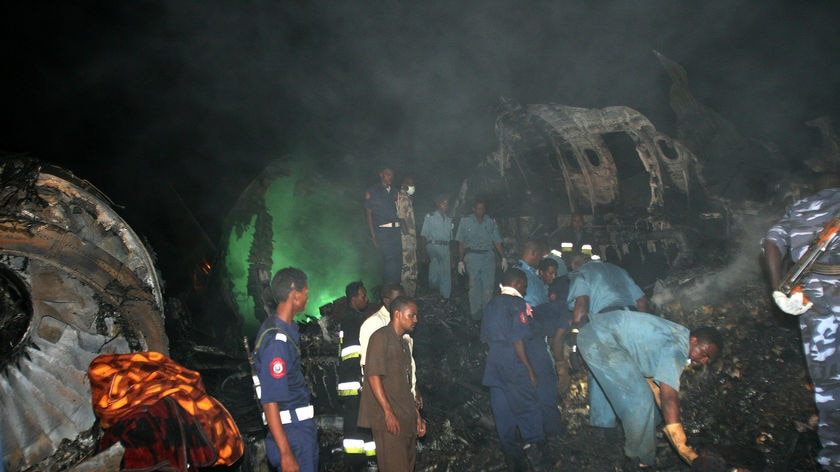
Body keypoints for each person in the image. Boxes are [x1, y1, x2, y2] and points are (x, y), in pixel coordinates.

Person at [577, 312, 722, 468]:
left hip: (607, 336)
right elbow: (669, 398)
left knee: (652, 406)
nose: (704, 360)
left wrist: (672, 422)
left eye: (708, 359)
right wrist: (682, 447)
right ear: (694, 341)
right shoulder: (676, 349)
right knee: (640, 401)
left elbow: (658, 385)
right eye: (705, 353)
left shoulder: (680, 335)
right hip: (601, 339)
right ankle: (637, 460)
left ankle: (623, 435)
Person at [763, 178, 840, 471]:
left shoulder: (800, 206)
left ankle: (833, 457)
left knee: (828, 384)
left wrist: (778, 289)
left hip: (811, 301)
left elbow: (772, 242)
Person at [565, 253, 649, 435]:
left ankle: (605, 426)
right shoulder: (618, 270)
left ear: (577, 265)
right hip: (632, 321)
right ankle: (637, 423)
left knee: (601, 371)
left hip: (607, 322)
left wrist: (574, 340)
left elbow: (582, 303)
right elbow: (641, 300)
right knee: (630, 372)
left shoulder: (582, 273)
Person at [481, 268, 548, 471]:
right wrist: (529, 370)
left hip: (494, 362)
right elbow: (517, 340)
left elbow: (485, 338)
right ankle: (536, 453)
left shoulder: (491, 304)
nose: (526, 289)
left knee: (502, 410)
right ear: (518, 283)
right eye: (525, 285)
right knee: (528, 406)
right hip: (514, 361)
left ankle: (513, 457)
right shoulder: (518, 304)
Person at [253, 268, 318, 472]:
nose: (307, 297)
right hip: (292, 434)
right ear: (295, 294)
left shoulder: (286, 329)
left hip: (298, 430)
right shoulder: (277, 342)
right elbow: (270, 400)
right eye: (306, 292)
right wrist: (286, 452)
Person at [357, 296, 427, 471]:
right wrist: (388, 412)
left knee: (407, 465)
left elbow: (406, 382)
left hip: (405, 416)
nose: (416, 320)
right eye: (412, 315)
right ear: (397, 314)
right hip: (388, 420)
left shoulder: (403, 342)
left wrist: (416, 414)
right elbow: (373, 376)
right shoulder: (380, 338)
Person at [513, 241, 563, 438]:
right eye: (539, 255)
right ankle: (550, 428)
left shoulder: (531, 274)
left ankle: (542, 427)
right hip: (531, 332)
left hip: (536, 331)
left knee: (539, 379)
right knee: (543, 379)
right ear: (533, 253)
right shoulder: (519, 274)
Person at [359, 283, 421, 407]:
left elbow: (407, 364)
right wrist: (386, 407)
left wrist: (414, 389)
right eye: (398, 299)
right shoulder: (374, 324)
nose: (403, 302)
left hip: (402, 396)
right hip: (385, 399)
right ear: (386, 300)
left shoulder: (405, 325)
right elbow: (370, 368)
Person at [337, 281, 374, 468]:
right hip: (355, 382)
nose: (366, 299)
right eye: (362, 296)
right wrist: (361, 380)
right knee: (354, 427)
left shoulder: (351, 317)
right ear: (353, 299)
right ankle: (355, 464)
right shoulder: (354, 320)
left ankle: (366, 461)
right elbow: (354, 353)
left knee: (361, 423)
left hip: (352, 381)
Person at [455, 200, 509, 320]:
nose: (481, 211)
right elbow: (461, 242)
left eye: (483, 209)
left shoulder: (490, 222)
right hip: (472, 256)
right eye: (478, 208)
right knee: (474, 286)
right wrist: (460, 260)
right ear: (473, 209)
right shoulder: (465, 222)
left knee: (488, 287)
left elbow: (497, 241)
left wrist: (503, 257)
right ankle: (475, 315)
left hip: (488, 257)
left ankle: (487, 314)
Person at [365, 167, 402, 284]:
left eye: (392, 175)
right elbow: (369, 214)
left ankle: (395, 291)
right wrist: (373, 236)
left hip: (396, 230)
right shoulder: (373, 191)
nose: (390, 177)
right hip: (383, 231)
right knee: (390, 260)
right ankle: (388, 291)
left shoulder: (395, 191)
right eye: (387, 174)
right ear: (381, 174)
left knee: (398, 261)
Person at [420, 194, 453, 299]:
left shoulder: (448, 220)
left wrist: (452, 256)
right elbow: (424, 235)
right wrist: (424, 253)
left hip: (445, 247)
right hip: (433, 246)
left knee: (446, 275)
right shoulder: (430, 216)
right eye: (443, 203)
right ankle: (434, 293)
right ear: (438, 204)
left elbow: (450, 240)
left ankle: (445, 298)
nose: (445, 206)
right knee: (434, 275)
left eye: (447, 204)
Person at [397, 176, 418, 296]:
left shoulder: (408, 197)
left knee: (412, 269)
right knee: (407, 269)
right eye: (411, 183)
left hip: (410, 238)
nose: (413, 186)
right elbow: (401, 219)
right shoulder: (403, 197)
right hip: (406, 240)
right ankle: (405, 297)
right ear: (405, 184)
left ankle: (410, 295)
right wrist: (408, 238)